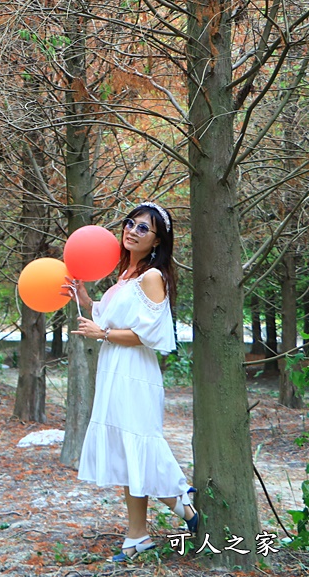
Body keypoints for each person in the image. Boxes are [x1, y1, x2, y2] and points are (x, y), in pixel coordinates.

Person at [64, 202, 198, 562]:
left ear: (157, 241)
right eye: (130, 223)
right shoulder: (125, 277)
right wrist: (84, 298)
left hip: (135, 371)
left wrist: (103, 333)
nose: (132, 231)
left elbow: (149, 334)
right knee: (127, 450)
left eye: (143, 228)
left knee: (140, 442)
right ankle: (138, 535)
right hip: (114, 367)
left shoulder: (152, 277)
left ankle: (184, 504)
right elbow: (109, 319)